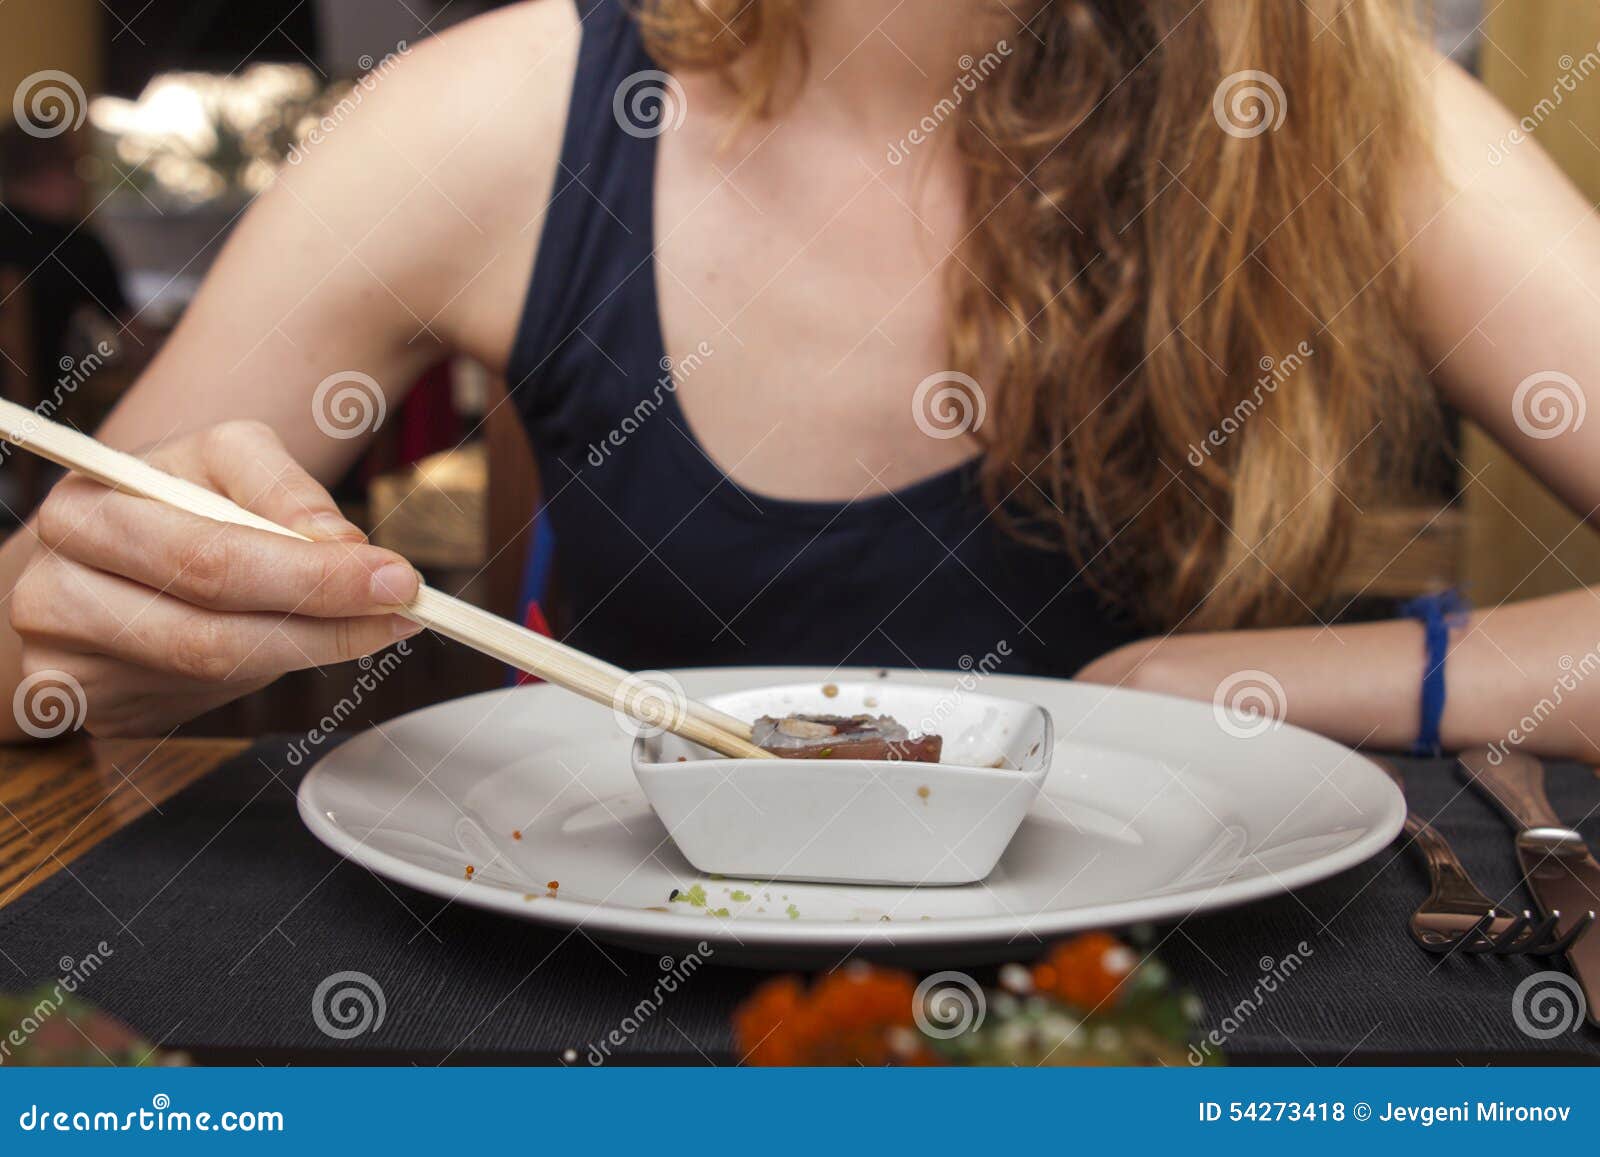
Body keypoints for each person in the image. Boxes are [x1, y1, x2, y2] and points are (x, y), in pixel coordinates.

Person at [0, 0, 1596, 760]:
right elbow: (44, 627)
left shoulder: (1334, 102)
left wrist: (1224, 687)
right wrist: (81, 643)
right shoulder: (496, 120)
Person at [0, 127, 130, 391]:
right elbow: (135, 340)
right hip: (32, 420)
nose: (83, 181)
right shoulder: (78, 246)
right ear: (55, 170)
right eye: (79, 166)